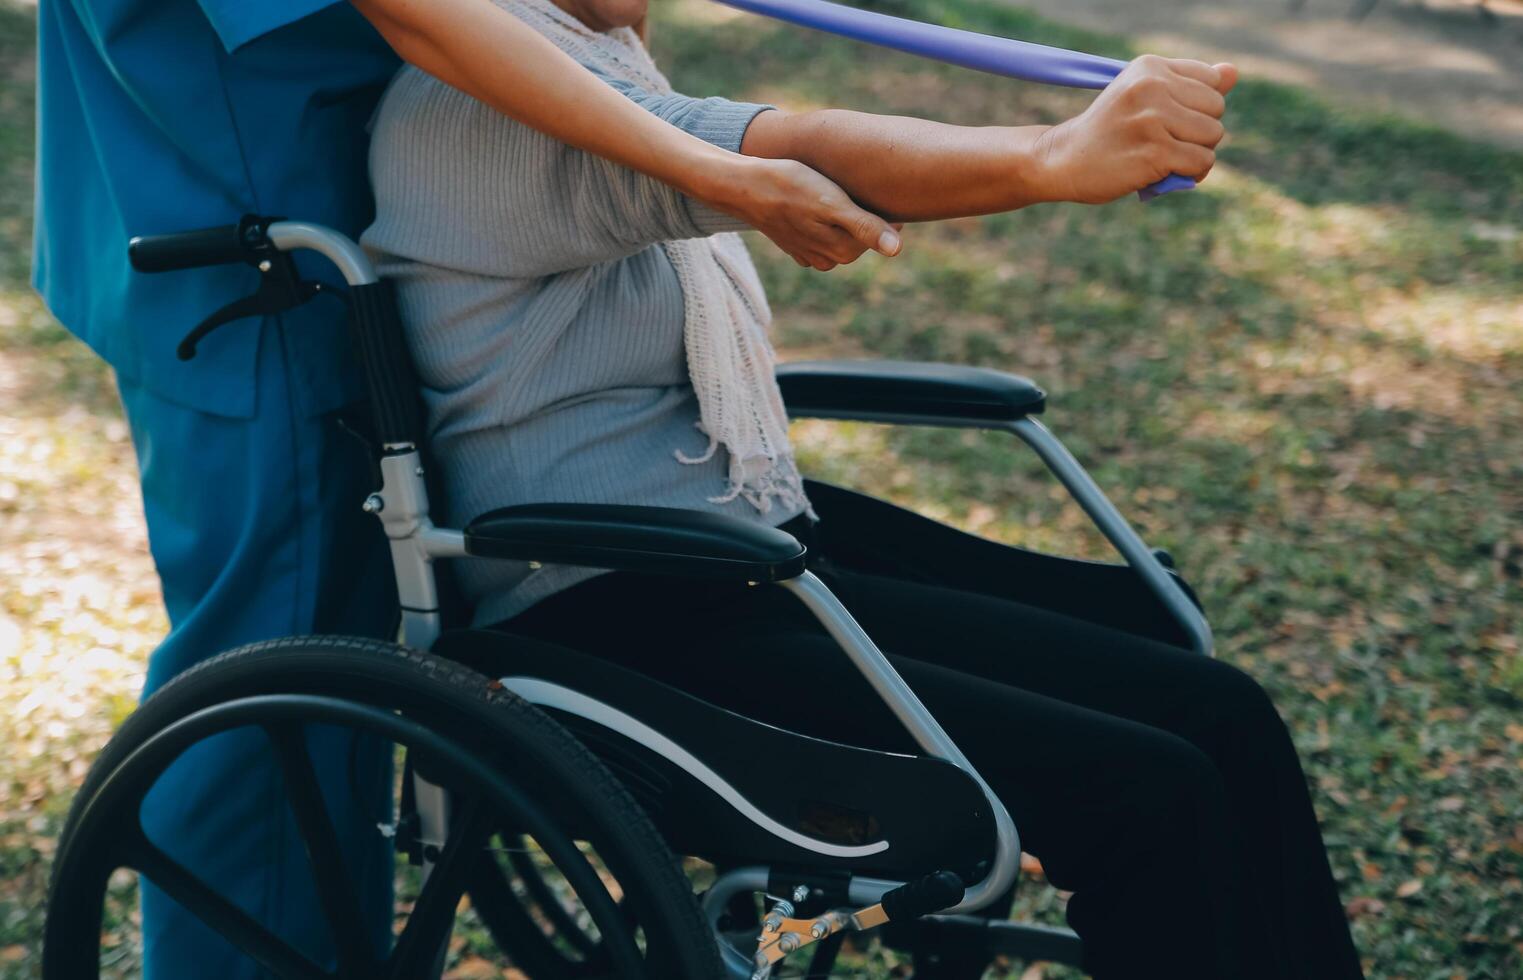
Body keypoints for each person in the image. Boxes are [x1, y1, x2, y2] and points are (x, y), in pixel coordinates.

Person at [360, 0, 1367, 976]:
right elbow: (798, 146)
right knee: (1147, 789)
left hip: (735, 550)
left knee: (1221, 711)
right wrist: (1050, 157)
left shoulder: (595, 61)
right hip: (619, 607)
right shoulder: (491, 107)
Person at [32, 0, 902, 973]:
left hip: (323, 222)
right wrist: (707, 168)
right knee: (282, 685)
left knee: (338, 682)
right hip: (261, 263)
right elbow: (422, 12)